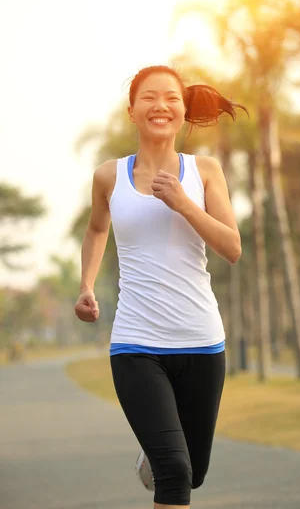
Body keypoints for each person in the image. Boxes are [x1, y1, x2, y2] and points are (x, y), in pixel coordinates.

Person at [74, 65, 247, 509]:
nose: (160, 106)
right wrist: (86, 285)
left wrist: (183, 204)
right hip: (136, 345)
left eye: (171, 98)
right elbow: (96, 231)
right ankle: (163, 457)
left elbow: (231, 247)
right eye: (149, 97)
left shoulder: (203, 171)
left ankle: (155, 456)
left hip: (202, 343)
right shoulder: (109, 177)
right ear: (132, 111)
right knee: (176, 473)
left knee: (194, 472)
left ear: (183, 111)